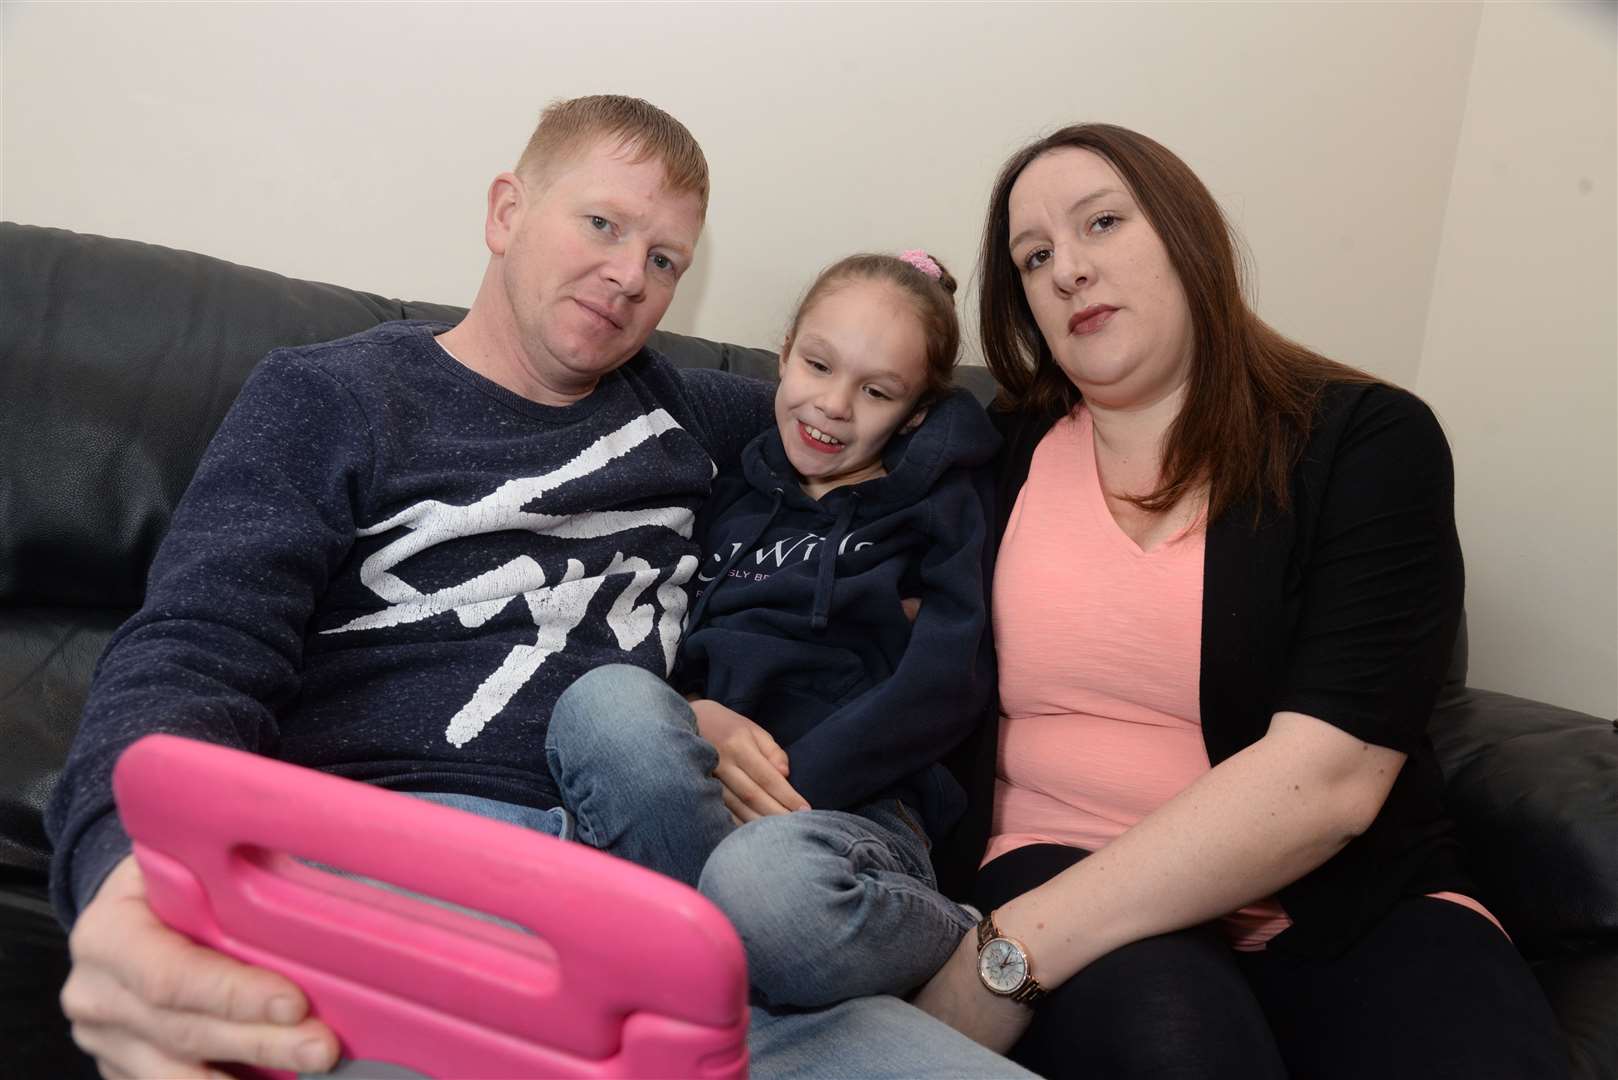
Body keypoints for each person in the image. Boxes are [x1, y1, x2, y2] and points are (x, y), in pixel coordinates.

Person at [44, 95, 1033, 1080]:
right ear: (507, 211)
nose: (627, 277)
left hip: (675, 918)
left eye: (664, 261)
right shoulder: (331, 395)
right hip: (406, 897)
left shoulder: (692, 411)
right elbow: (195, 642)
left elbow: (910, 406)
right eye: (603, 223)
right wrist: (128, 873)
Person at [911, 123, 1569, 1079]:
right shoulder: (989, 452)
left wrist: (1004, 959)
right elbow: (800, 532)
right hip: (1059, 857)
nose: (1069, 271)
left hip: (1346, 900)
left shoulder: (1366, 442)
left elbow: (1332, 779)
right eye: (1036, 257)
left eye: (1102, 223)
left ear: (1188, 234)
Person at [545, 250, 999, 1008]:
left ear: (917, 413)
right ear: (784, 353)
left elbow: (947, 680)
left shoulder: (936, 510)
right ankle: (721, 980)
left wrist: (799, 787)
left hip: (848, 817)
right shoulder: (731, 489)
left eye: (877, 390)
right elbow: (664, 628)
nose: (834, 406)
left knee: (765, 883)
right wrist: (690, 712)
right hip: (707, 797)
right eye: (819, 366)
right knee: (602, 701)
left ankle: (943, 936)